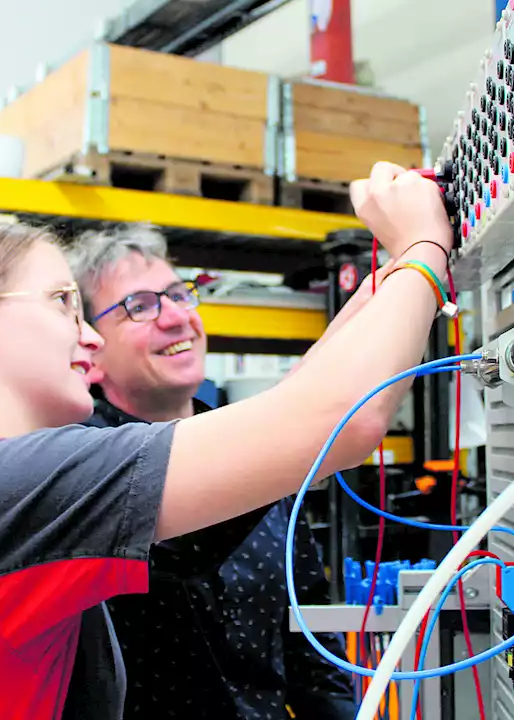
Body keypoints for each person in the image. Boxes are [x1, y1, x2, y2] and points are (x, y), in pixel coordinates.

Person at [0, 161, 455, 720]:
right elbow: (336, 424)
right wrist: (424, 250)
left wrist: (394, 272)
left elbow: (293, 415)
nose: (88, 338)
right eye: (62, 304)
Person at [65, 224, 357, 719]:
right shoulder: (80, 468)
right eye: (140, 306)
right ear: (91, 348)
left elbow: (307, 637)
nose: (177, 317)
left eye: (179, 295)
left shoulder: (251, 455)